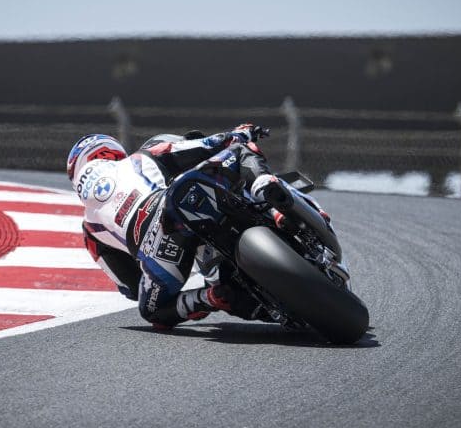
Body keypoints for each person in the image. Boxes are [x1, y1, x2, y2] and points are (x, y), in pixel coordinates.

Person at [67, 124, 329, 329]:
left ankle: (210, 297)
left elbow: (131, 287)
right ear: (112, 153)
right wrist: (238, 134)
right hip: (171, 201)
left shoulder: (90, 228)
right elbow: (204, 146)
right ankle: (266, 192)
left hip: (158, 244)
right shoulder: (140, 158)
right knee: (239, 149)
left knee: (152, 312)